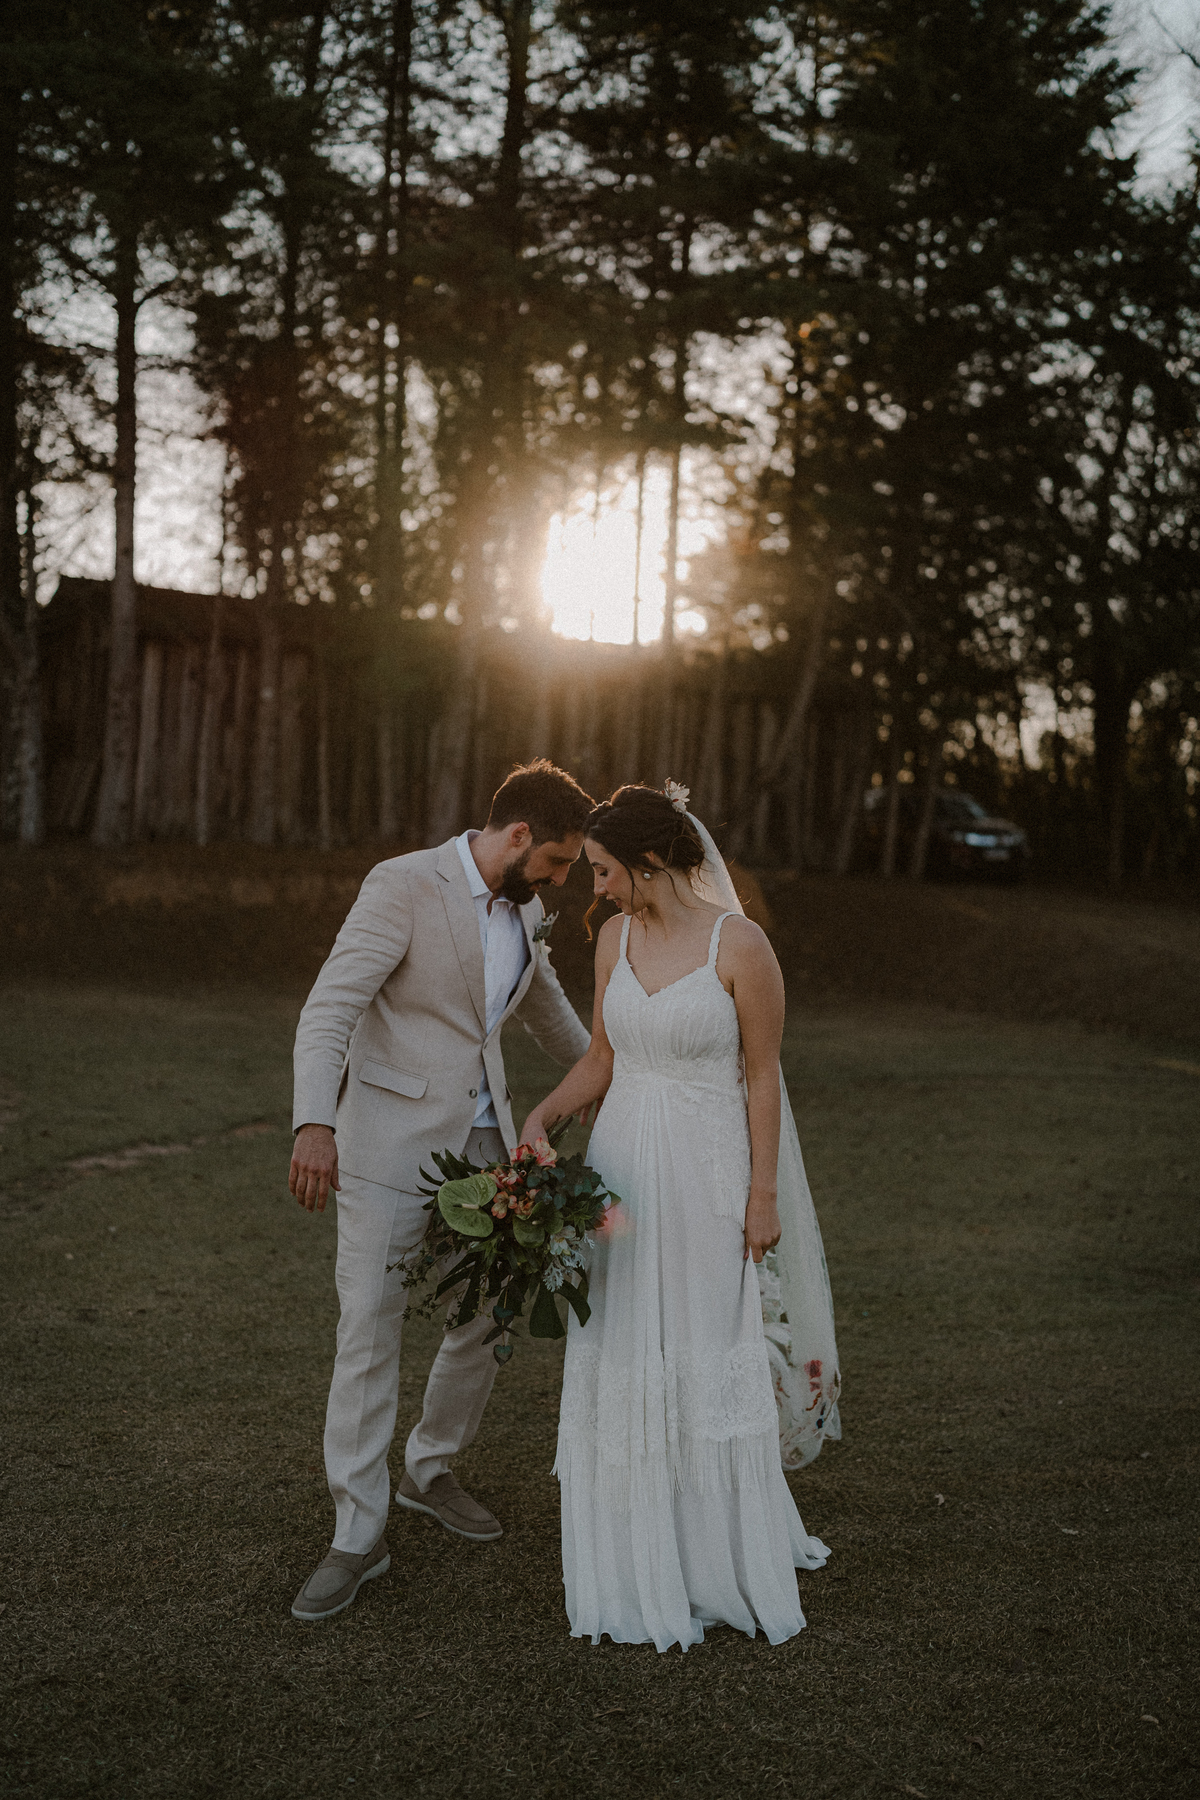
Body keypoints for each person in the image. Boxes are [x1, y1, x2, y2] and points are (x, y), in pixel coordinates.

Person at [521, 782, 839, 1652]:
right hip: (621, 1170)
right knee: (624, 1337)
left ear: (651, 860)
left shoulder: (742, 946)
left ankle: (714, 1557)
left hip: (709, 1174)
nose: (595, 888)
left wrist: (762, 1193)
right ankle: (632, 1551)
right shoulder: (613, 941)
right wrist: (542, 1116)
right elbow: (601, 1057)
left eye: (604, 870)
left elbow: (763, 1076)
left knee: (704, 1341)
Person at [288, 760, 594, 1623]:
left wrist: (613, 1072)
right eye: (557, 862)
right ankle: (357, 1533)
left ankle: (430, 1466)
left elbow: (545, 1009)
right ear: (518, 835)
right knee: (369, 1329)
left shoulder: (525, 908)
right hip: (387, 1143)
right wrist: (314, 1122)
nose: (560, 882)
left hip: (489, 1148)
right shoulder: (402, 885)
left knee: (492, 1314)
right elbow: (330, 1008)